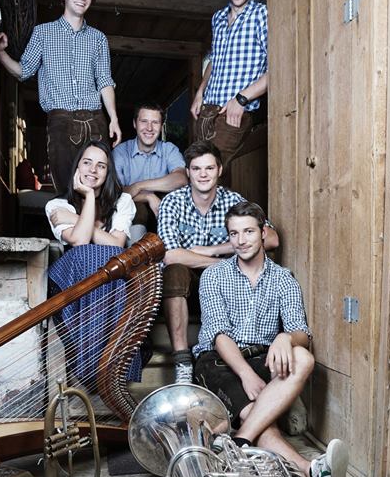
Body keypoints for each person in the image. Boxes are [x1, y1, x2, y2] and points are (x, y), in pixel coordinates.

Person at [193, 200, 349, 477]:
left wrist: (284, 338)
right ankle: (309, 471)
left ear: (264, 233)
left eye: (249, 232)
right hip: (219, 361)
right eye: (234, 233)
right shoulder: (214, 276)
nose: (241, 240)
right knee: (259, 415)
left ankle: (240, 439)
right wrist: (246, 374)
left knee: (303, 357)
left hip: (264, 356)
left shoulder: (283, 278)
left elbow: (301, 333)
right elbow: (219, 336)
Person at [157, 139, 279, 383]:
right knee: (175, 271)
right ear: (188, 172)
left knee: (243, 270)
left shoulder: (233, 200)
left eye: (209, 168)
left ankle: (239, 353)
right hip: (185, 286)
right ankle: (182, 362)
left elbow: (272, 238)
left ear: (219, 170)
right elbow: (170, 255)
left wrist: (214, 250)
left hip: (225, 284)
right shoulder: (173, 201)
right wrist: (220, 261)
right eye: (196, 169)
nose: (203, 175)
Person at [0, 0, 121, 194]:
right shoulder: (42, 33)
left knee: (99, 187)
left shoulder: (98, 38)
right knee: (66, 187)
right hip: (61, 119)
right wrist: (0, 52)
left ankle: (95, 218)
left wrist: (114, 119)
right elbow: (23, 71)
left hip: (95, 120)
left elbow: (104, 80)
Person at [44, 140, 140, 390]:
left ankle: (111, 367)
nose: (93, 170)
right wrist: (87, 197)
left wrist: (75, 218)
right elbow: (79, 241)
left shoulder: (123, 201)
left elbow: (117, 246)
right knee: (86, 255)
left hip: (113, 285)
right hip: (74, 282)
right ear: (77, 166)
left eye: (101, 166)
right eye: (87, 163)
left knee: (113, 261)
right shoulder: (57, 206)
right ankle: (89, 369)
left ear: (108, 172)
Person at [190, 0, 267, 182]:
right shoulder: (218, 18)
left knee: (205, 173)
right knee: (200, 173)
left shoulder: (263, 15)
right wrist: (200, 92)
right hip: (206, 112)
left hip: (233, 112)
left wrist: (241, 99)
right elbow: (215, 60)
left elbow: (278, 69)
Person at [112, 102, 186, 231]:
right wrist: (148, 196)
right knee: (136, 208)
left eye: (155, 122)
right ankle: (137, 245)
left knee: (174, 203)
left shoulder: (169, 149)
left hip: (163, 211)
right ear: (135, 124)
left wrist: (138, 186)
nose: (149, 128)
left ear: (161, 126)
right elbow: (116, 193)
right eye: (144, 121)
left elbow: (181, 179)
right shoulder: (120, 152)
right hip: (133, 215)